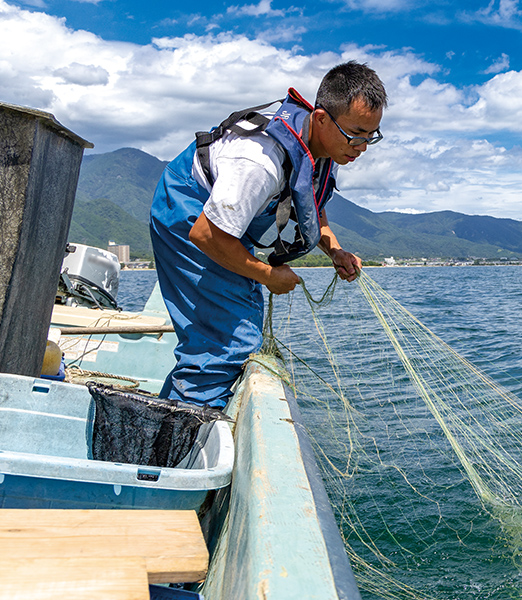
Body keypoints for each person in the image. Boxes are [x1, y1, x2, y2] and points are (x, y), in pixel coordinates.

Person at [149, 61, 387, 407]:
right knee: (226, 341)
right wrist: (267, 275)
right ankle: (178, 441)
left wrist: (334, 250)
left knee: (241, 317)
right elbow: (205, 234)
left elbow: (310, 203)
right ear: (321, 118)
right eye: (355, 134)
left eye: (371, 136)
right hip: (190, 211)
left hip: (229, 222)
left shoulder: (322, 148)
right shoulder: (259, 162)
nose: (361, 146)